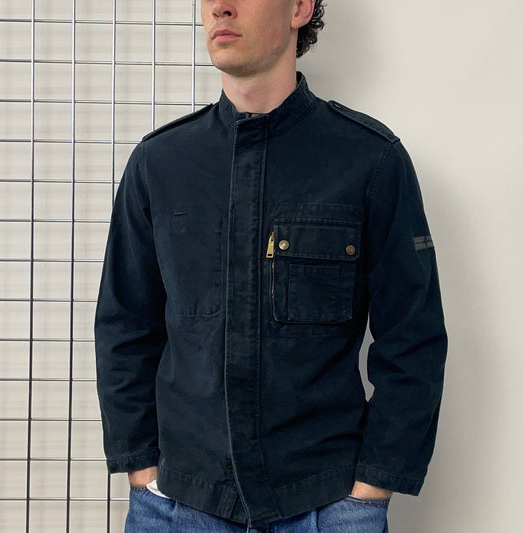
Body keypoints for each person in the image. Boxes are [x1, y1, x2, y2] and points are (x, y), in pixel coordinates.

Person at [95, 1, 447, 531]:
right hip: (178, 505)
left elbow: (413, 338)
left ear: (300, 7)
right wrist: (142, 469)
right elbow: (124, 327)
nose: (220, 6)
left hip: (327, 506)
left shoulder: (368, 160)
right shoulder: (159, 164)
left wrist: (370, 488)